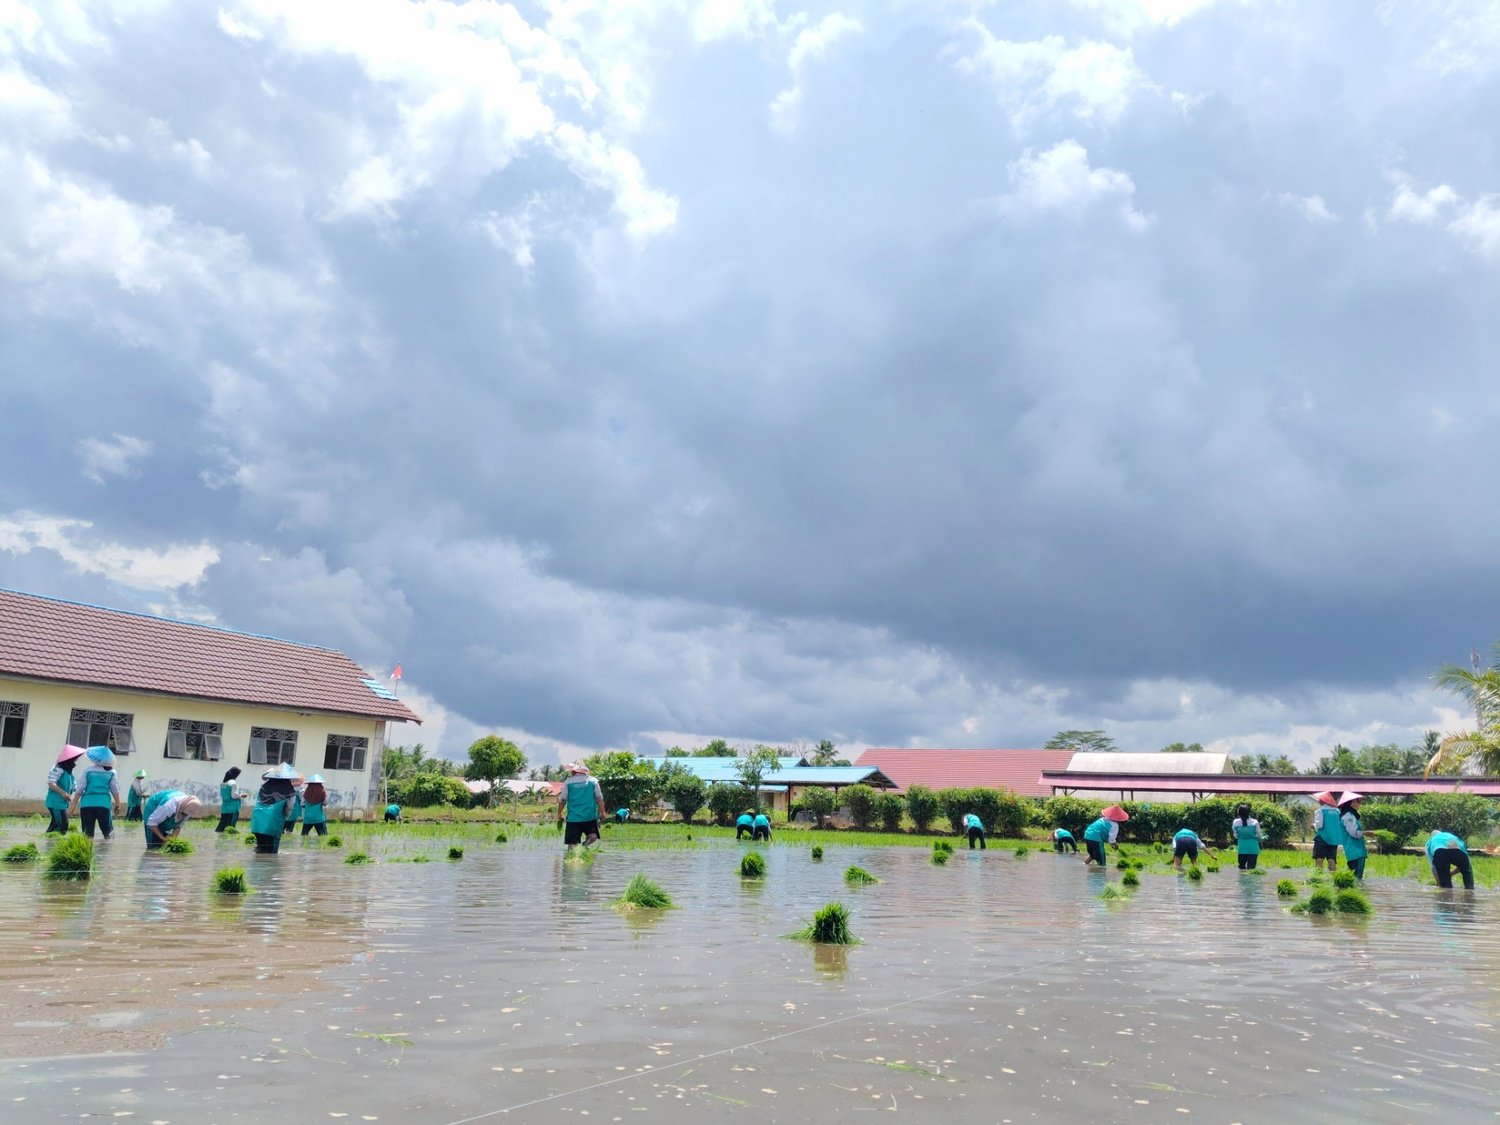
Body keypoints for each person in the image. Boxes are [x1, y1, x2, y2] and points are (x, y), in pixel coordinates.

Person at [71, 745, 121, 839]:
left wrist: (73, 805)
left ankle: (87, 852)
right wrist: (118, 804)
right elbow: (115, 789)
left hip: (86, 805)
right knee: (108, 833)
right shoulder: (111, 772)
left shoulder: (87, 771)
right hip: (103, 805)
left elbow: (80, 789)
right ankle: (106, 852)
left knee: (87, 835)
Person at [251, 765, 300, 853]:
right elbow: (289, 808)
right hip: (273, 825)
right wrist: (285, 817)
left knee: (260, 850)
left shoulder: (263, 787)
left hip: (257, 823)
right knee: (271, 854)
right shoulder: (289, 790)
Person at [557, 762, 606, 848]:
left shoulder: (568, 782)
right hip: (589, 816)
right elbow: (599, 798)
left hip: (573, 818)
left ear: (574, 771)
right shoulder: (593, 781)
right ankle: (585, 844)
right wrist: (603, 812)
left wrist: (559, 813)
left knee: (572, 844)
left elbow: (563, 800)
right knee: (593, 835)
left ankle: (571, 858)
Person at [45, 745, 85, 834]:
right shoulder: (58, 769)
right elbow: (51, 783)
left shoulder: (69, 770)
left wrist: (81, 790)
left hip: (61, 802)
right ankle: (53, 844)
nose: (76, 760)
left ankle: (48, 842)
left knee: (56, 824)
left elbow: (73, 784)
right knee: (62, 825)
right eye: (75, 758)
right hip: (55, 802)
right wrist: (63, 793)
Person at [1311, 791, 1343, 871]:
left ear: (1322, 801)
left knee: (1319, 859)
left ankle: (1318, 878)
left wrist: (1313, 826)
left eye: (1319, 799)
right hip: (1333, 839)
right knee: (1332, 860)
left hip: (1322, 838)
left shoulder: (1320, 811)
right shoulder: (1337, 811)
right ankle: (1333, 878)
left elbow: (1319, 825)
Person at [1339, 792, 1367, 880]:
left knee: (1355, 876)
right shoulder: (1348, 816)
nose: (1358, 804)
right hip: (1355, 852)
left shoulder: (1351, 815)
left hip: (1355, 851)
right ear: (1349, 804)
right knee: (1357, 877)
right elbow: (1354, 833)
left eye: (1358, 802)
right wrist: (1365, 833)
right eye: (1355, 802)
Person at [1231, 803, 1263, 870]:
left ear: (1238, 813)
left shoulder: (1235, 822)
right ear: (1249, 813)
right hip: (1253, 848)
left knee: (1241, 868)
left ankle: (1241, 880)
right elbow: (1259, 835)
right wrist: (1260, 841)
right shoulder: (1254, 822)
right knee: (1251, 869)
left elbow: (1236, 835)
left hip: (1242, 848)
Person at [216, 767, 246, 832]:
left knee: (221, 826)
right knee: (230, 828)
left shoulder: (223, 784)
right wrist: (242, 795)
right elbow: (234, 796)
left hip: (224, 808)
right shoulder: (234, 783)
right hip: (233, 809)